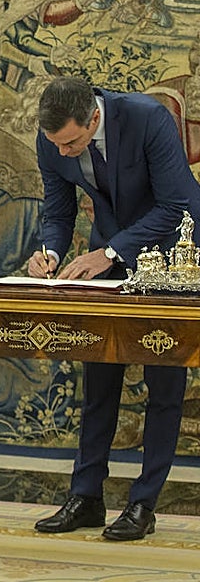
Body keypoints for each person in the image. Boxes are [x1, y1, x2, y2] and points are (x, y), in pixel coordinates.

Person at [28, 75, 200, 541]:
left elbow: (176, 204)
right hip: (110, 252)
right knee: (99, 377)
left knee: (163, 382)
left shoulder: (147, 118)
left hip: (171, 255)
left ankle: (143, 504)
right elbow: (58, 211)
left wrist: (107, 253)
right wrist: (49, 250)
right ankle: (86, 498)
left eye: (71, 143)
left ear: (94, 119)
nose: (63, 152)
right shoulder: (53, 140)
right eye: (55, 143)